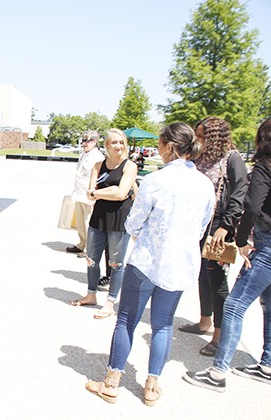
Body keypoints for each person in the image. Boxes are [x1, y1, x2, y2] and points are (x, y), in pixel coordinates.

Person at [85, 123, 214, 406]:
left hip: (146, 261)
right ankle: (152, 386)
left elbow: (133, 223)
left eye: (159, 143)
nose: (157, 147)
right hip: (179, 264)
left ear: (169, 146)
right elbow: (203, 225)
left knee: (127, 321)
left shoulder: (155, 181)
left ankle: (111, 382)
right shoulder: (205, 184)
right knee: (163, 326)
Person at [184, 116, 271, 392]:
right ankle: (268, 366)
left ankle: (218, 372)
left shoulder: (265, 168)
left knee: (234, 305)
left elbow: (251, 207)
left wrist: (240, 241)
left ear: (267, 140)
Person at [178, 117, 248, 357]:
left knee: (216, 279)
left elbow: (239, 195)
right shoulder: (199, 158)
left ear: (216, 136)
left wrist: (225, 226)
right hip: (200, 225)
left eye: (202, 135)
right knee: (202, 275)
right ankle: (204, 321)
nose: (198, 139)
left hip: (219, 228)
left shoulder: (232, 159)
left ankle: (220, 335)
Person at [69, 129, 137, 320]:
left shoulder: (129, 166)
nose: (118, 146)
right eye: (114, 142)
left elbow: (121, 194)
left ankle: (110, 301)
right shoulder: (98, 165)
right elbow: (89, 192)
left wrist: (100, 193)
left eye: (121, 142)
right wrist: (109, 191)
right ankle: (91, 294)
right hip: (98, 217)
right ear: (106, 146)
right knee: (91, 259)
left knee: (115, 263)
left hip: (118, 220)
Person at [65, 131, 105, 258]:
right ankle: (82, 244)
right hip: (79, 193)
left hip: (88, 196)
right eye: (82, 141)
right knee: (80, 223)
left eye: (86, 141)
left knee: (89, 224)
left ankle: (90, 249)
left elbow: (99, 179)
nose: (83, 144)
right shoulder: (84, 154)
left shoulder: (98, 157)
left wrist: (94, 198)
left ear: (94, 142)